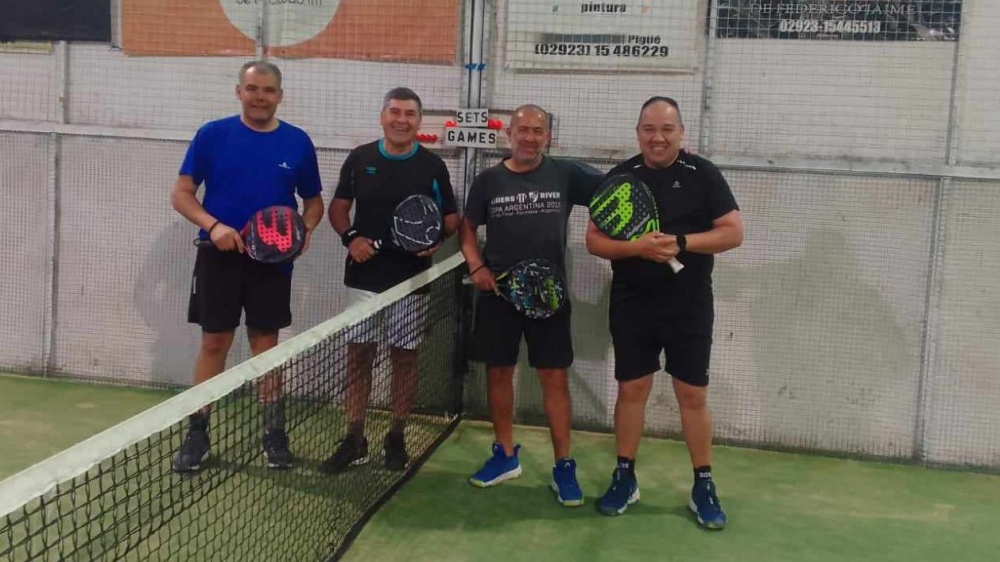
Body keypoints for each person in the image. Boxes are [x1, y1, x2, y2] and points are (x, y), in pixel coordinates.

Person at [585, 96, 743, 527]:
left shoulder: (702, 174)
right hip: (633, 303)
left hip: (689, 303)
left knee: (692, 395)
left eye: (667, 129)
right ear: (638, 132)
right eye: (649, 129)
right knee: (632, 390)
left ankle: (703, 484)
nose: (657, 137)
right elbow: (595, 240)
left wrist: (681, 243)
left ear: (681, 132)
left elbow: (733, 232)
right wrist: (637, 248)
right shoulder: (621, 177)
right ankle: (624, 477)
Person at [170, 60, 325, 472]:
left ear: (280, 95)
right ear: (239, 91)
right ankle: (197, 434)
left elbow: (313, 202)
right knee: (214, 344)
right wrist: (214, 225)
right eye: (253, 89)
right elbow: (183, 194)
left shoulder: (297, 143)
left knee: (265, 348)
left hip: (272, 264)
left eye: (269, 90)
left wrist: (304, 232)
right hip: (218, 257)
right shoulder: (212, 135)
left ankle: (274, 435)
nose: (261, 97)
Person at [458, 104, 602, 507]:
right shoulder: (488, 180)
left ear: (548, 138)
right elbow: (467, 230)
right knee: (499, 373)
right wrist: (477, 265)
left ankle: (563, 466)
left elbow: (614, 193)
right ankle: (505, 456)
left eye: (538, 131)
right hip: (499, 295)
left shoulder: (566, 174)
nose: (530, 137)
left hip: (549, 297)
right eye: (523, 130)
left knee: (554, 379)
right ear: (509, 133)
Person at [323, 87, 459, 473]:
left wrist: (435, 240)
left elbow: (450, 219)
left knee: (404, 358)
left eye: (410, 114)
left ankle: (396, 435)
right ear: (383, 116)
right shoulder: (359, 158)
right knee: (359, 356)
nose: (402, 120)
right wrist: (351, 239)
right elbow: (339, 208)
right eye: (395, 112)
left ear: (419, 121)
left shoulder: (432, 166)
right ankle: (355, 437)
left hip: (411, 281)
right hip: (363, 279)